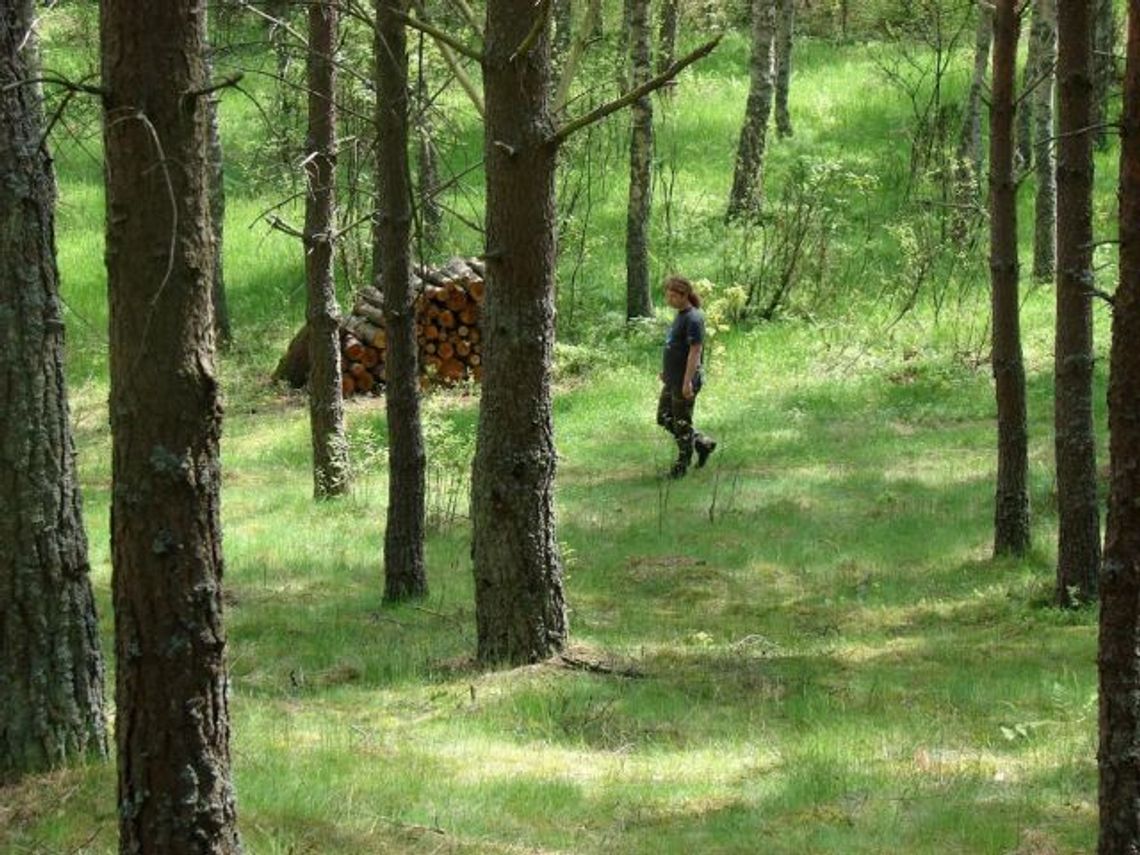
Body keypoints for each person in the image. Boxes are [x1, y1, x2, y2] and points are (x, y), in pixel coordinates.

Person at [657, 275, 716, 478]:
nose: (669, 300)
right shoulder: (681, 314)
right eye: (668, 295)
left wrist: (688, 382)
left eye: (673, 296)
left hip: (685, 380)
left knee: (681, 423)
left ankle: (681, 467)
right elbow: (675, 346)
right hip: (673, 378)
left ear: (684, 295)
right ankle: (702, 443)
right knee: (664, 418)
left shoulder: (694, 318)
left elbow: (695, 351)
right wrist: (667, 371)